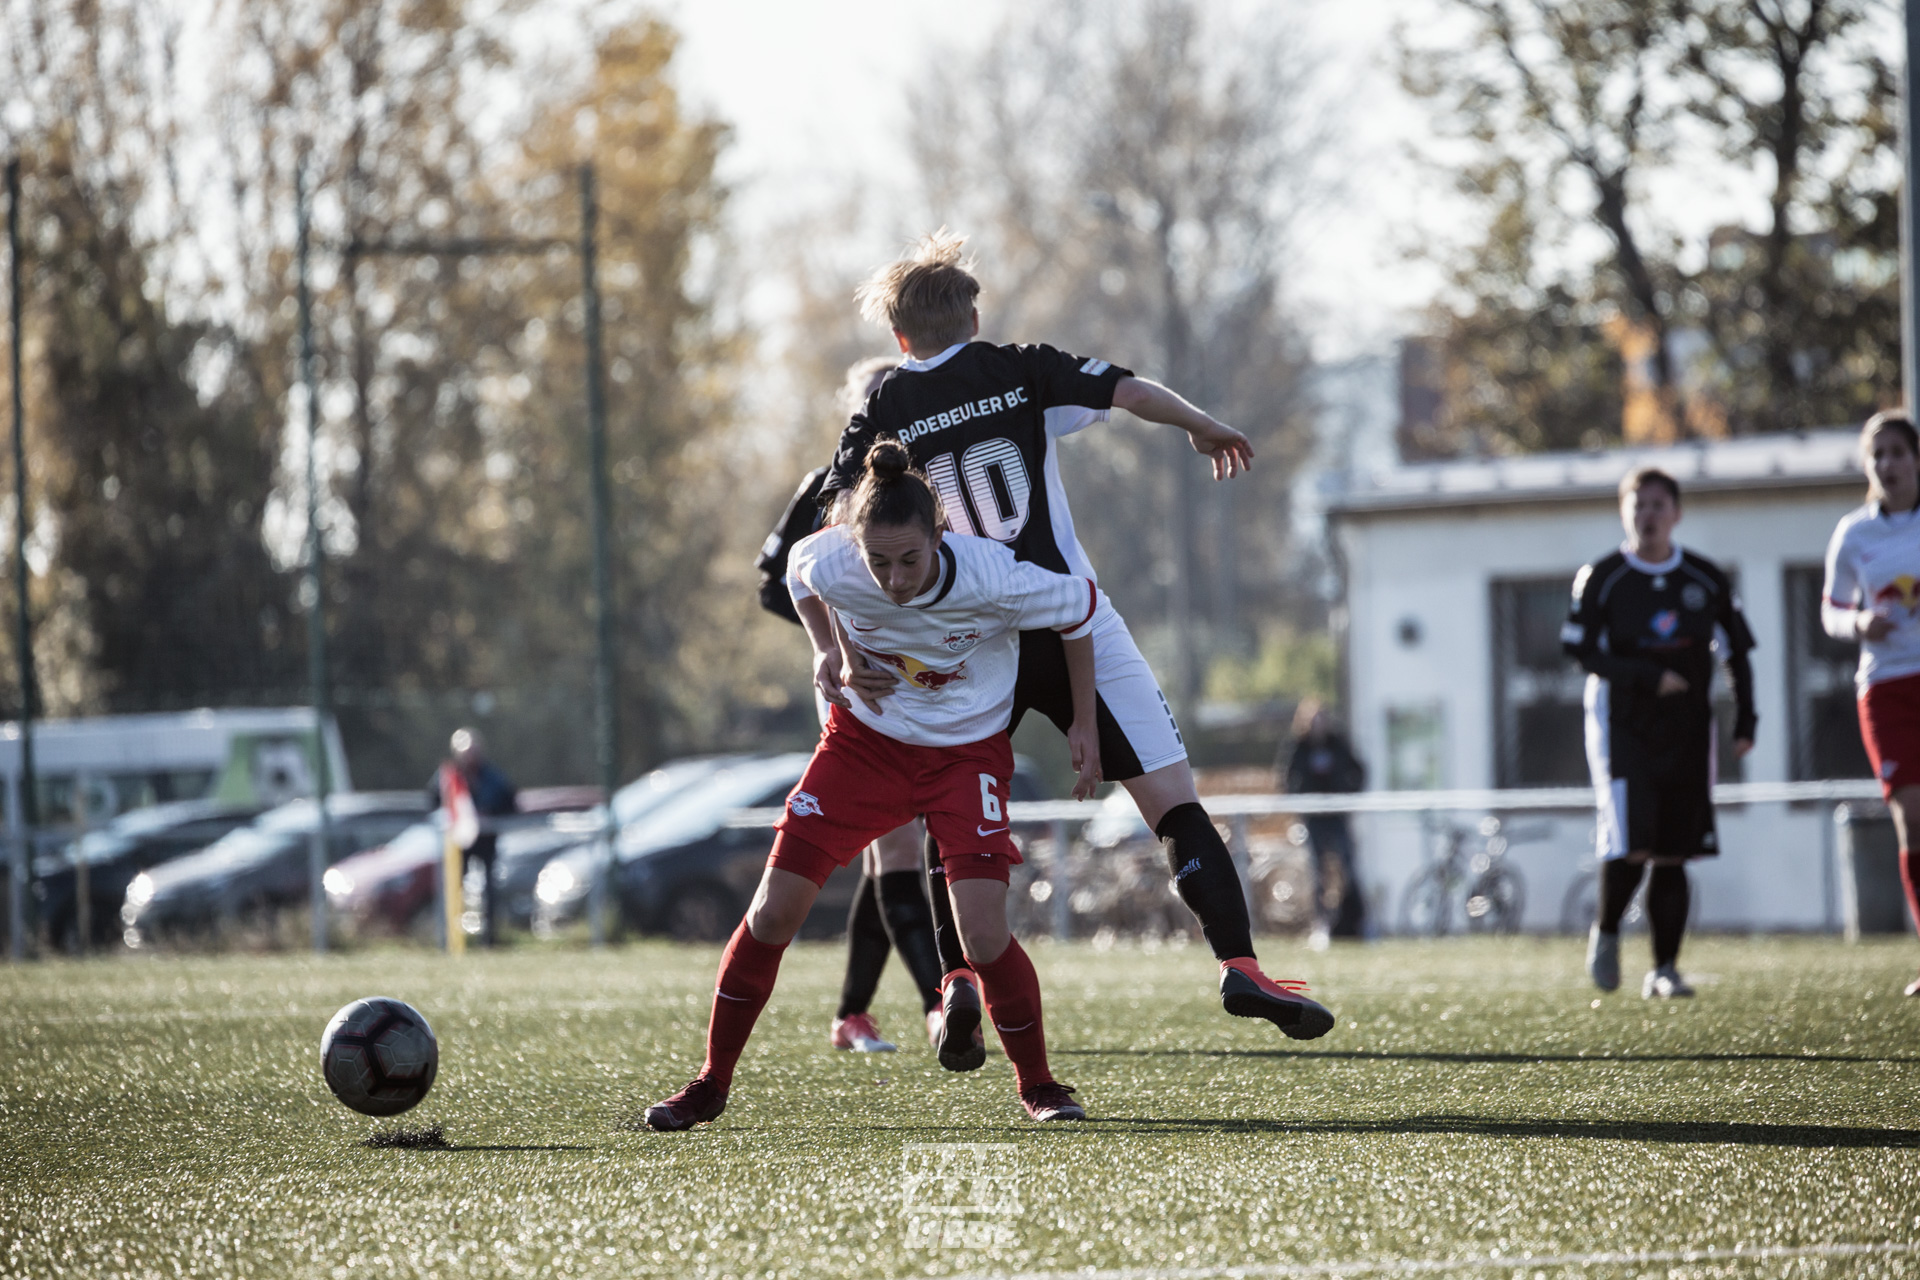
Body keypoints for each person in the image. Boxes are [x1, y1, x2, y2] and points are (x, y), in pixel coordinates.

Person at [820, 230, 1333, 1070]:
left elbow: (832, 536)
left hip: (963, 634)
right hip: (1067, 614)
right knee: (1170, 797)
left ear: (898, 339)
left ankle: (955, 981)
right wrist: (1203, 427)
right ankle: (1239, 963)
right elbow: (1130, 391)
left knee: (951, 812)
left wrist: (842, 645)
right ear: (975, 317)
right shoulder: (1018, 368)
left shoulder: (884, 408)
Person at [644, 441, 1101, 1130]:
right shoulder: (832, 558)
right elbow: (800, 577)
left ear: (939, 535)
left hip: (964, 756)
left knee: (981, 935)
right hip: (863, 746)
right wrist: (831, 651)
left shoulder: (995, 576)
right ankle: (710, 1084)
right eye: (877, 561)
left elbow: (1083, 612)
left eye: (909, 560)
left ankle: (1039, 1085)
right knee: (772, 912)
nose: (893, 578)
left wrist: (1085, 725)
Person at [754, 357, 947, 1053]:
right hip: (858, 682)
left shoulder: (927, 494)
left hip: (925, 684)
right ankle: (940, 1004)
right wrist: (838, 644)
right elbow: (775, 583)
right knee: (894, 845)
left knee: (884, 854)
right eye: (873, 400)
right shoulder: (828, 489)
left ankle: (852, 1014)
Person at [1563, 468, 1756, 998]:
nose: (1647, 515)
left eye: (1657, 505)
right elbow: (1580, 649)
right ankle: (1606, 932)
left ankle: (1664, 969)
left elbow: (1737, 651)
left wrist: (1746, 717)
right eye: (1638, 506)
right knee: (1632, 843)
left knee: (1675, 848)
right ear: (1625, 513)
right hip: (1623, 726)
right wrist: (1648, 676)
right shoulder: (1603, 577)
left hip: (1688, 729)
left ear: (1676, 513)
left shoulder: (1704, 579)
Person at [1821, 409, 1920, 997]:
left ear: (1916, 459)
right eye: (1877, 454)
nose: (1887, 464)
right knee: (1912, 818)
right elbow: (1831, 612)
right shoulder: (1854, 533)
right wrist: (1859, 621)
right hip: (1884, 688)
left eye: (1898, 452)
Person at [1282, 699, 1367, 947]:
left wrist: (1349, 796)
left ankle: (1356, 921)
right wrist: (1300, 802)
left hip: (1337, 817)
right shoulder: (1299, 746)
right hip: (1315, 820)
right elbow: (1288, 778)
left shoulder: (1338, 743)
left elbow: (1358, 770)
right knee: (1319, 874)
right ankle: (1321, 924)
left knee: (1348, 869)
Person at [425, 728, 517, 947]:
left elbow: (509, 802)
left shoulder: (491, 776)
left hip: (485, 841)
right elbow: (433, 800)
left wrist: (488, 812)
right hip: (458, 843)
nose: (470, 756)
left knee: (489, 891)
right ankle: (450, 939)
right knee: (452, 888)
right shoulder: (449, 777)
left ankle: (489, 940)